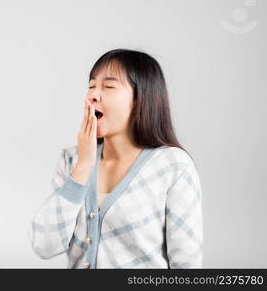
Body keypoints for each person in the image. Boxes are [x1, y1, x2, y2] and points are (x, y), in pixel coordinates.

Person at [28, 49, 203, 269]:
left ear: (141, 100)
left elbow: (187, 264)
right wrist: (83, 167)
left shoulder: (173, 166)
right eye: (91, 86)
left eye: (108, 87)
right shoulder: (72, 159)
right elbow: (43, 246)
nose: (93, 95)